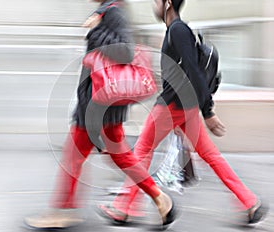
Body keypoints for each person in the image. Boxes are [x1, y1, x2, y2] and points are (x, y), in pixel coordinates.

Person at [97, 0, 268, 225]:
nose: (153, 5)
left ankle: (124, 207)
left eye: (156, 1)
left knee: (141, 152)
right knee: (211, 156)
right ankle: (249, 203)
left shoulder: (178, 29)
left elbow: (192, 69)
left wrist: (208, 111)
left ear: (168, 3)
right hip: (183, 107)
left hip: (171, 105)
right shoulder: (174, 30)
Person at [24, 0, 177, 230]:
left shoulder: (113, 11)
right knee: (120, 156)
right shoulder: (110, 10)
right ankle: (160, 198)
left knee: (72, 158)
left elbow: (125, 51)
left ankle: (64, 211)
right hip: (103, 106)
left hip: (97, 105)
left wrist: (94, 33)